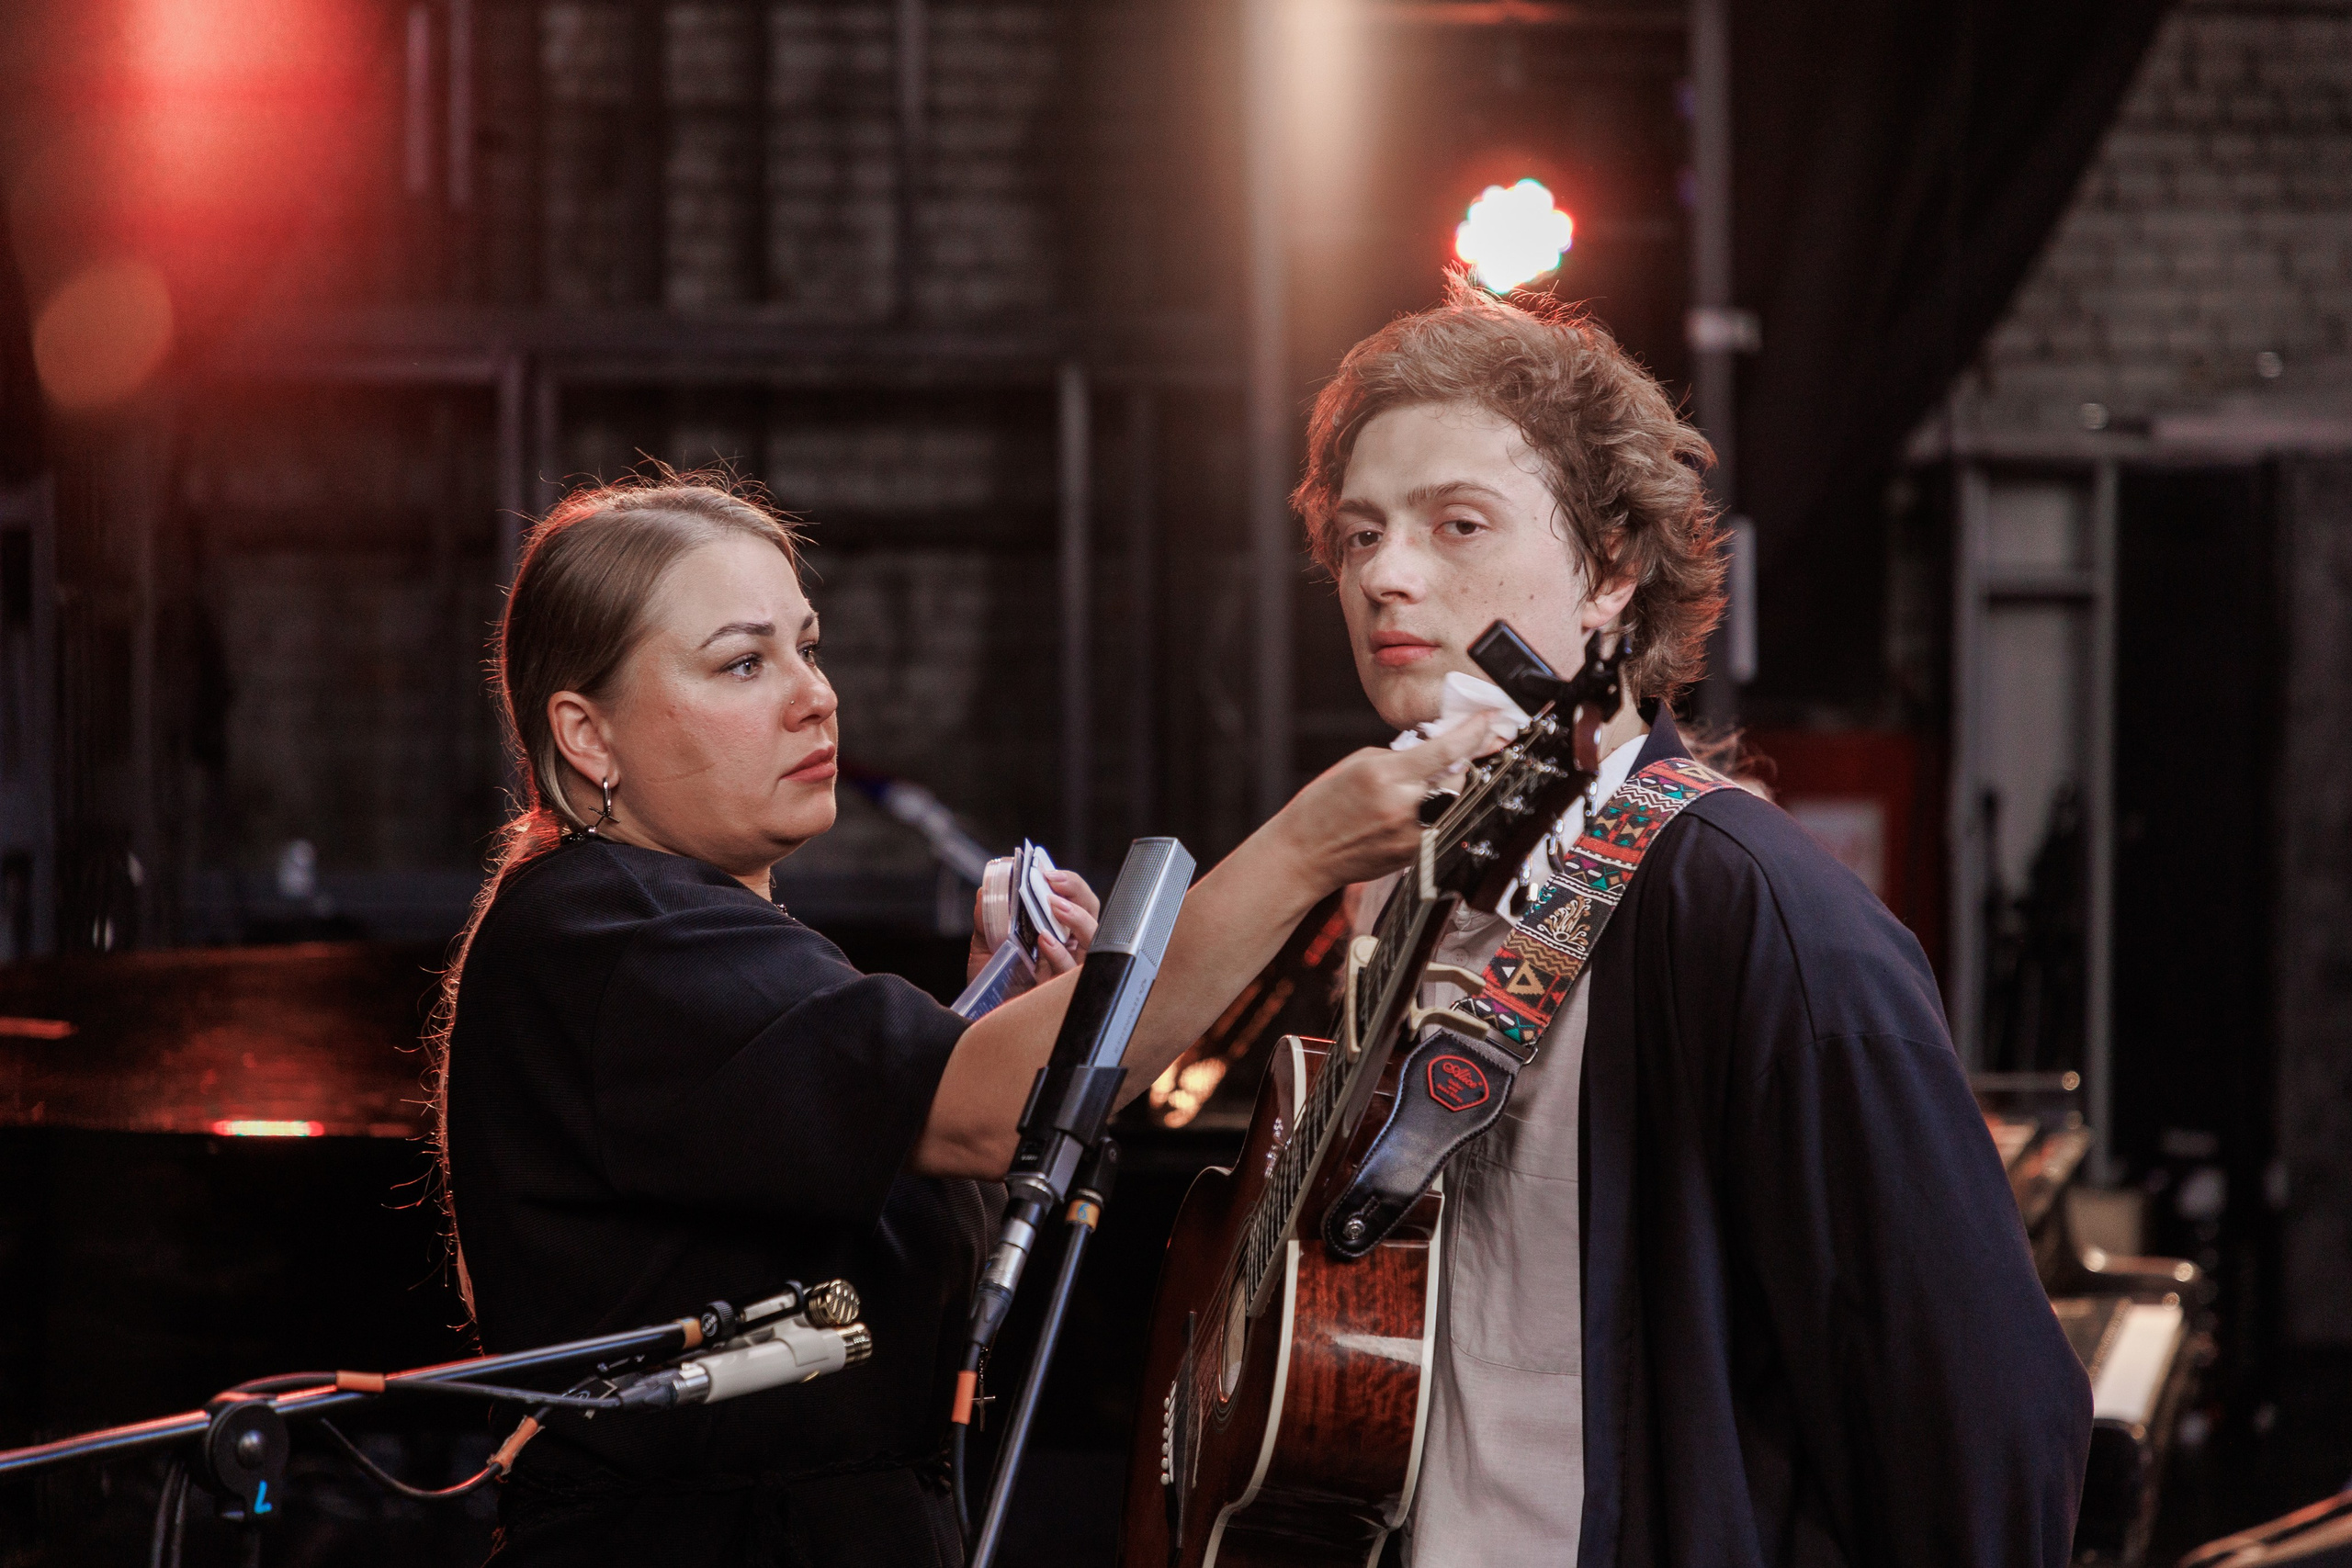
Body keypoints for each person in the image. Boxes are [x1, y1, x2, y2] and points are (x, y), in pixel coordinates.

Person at [433, 476, 1494, 1567]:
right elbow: (995, 1116)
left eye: (809, 646)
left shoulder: (687, 942)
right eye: (743, 663)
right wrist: (1305, 849)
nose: (815, 696)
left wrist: (993, 1018)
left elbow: (933, 1188)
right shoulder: (608, 937)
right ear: (585, 736)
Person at [1294, 280, 2092, 1568]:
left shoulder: (1761, 912)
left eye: (1457, 524)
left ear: (1611, 569)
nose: (1386, 569)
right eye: (1362, 530)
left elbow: (1990, 1431)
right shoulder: (1395, 886)